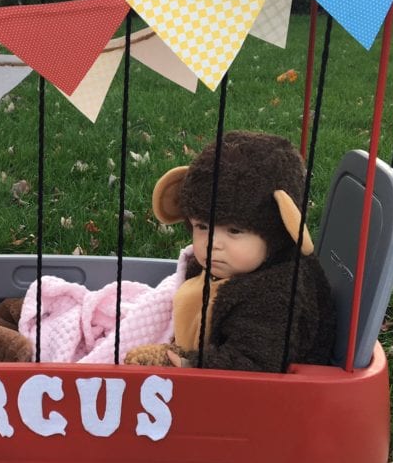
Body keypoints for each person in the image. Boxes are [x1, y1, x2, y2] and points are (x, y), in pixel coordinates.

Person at [125, 131, 336, 372]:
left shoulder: (274, 297)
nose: (213, 243)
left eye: (234, 231)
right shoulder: (241, 265)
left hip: (270, 394)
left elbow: (254, 364)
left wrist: (191, 364)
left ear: (277, 230)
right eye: (202, 226)